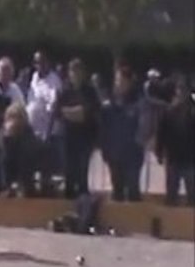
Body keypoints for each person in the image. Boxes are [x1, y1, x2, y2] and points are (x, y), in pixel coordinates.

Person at [101, 67, 149, 202]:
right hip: (114, 155)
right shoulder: (109, 105)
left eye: (121, 81)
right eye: (116, 81)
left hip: (133, 156)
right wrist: (105, 149)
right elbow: (104, 129)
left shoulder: (139, 103)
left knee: (133, 191)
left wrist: (139, 142)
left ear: (129, 82)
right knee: (117, 191)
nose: (118, 84)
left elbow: (144, 127)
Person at [56, 59, 100, 199]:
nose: (75, 74)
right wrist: (75, 112)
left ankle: (84, 205)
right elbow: (58, 111)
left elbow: (87, 113)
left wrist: (70, 112)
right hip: (68, 138)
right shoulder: (64, 90)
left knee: (82, 172)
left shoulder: (90, 91)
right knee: (68, 172)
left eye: (78, 71)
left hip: (85, 138)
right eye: (72, 71)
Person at [26, 51, 63, 196]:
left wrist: (47, 132)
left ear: (48, 62)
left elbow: (54, 106)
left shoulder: (54, 81)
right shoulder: (34, 78)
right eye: (36, 62)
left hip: (48, 131)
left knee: (46, 167)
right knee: (32, 164)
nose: (39, 65)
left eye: (42, 62)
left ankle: (47, 193)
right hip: (33, 129)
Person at [155, 81, 194, 206]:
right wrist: (159, 151)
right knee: (171, 193)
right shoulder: (168, 111)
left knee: (192, 194)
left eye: (184, 91)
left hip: (191, 159)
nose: (181, 94)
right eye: (179, 91)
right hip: (173, 158)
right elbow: (161, 133)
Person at [0, 102, 38, 197]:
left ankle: (23, 187)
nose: (14, 119)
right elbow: (1, 147)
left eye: (17, 116)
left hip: (26, 164)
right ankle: (7, 187)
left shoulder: (28, 131)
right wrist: (8, 137)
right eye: (11, 116)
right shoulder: (3, 130)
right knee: (4, 158)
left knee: (24, 159)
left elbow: (28, 152)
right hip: (10, 160)